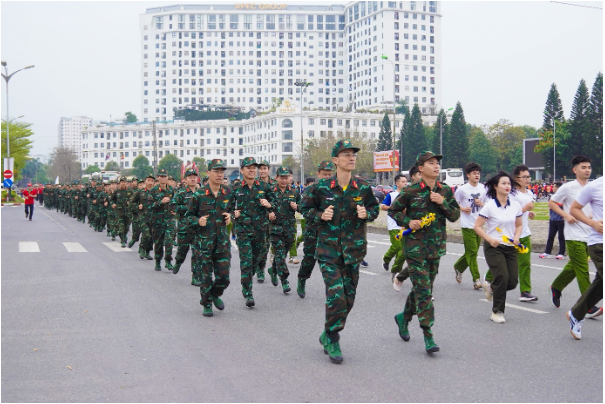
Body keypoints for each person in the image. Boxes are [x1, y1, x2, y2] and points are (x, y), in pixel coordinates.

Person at [302, 139, 380, 364]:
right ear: (336, 160)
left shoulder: (363, 187)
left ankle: (326, 333)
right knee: (336, 296)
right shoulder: (321, 188)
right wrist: (319, 216)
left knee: (349, 299)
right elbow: (304, 208)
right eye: (346, 154)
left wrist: (368, 213)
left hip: (353, 252)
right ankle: (333, 338)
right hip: (328, 252)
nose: (352, 158)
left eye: (353, 154)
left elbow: (374, 208)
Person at [389, 151, 460, 354]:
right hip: (414, 248)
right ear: (421, 168)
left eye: (437, 163)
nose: (436, 166)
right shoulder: (410, 191)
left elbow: (455, 215)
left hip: (435, 247)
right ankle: (428, 334)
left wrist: (442, 203)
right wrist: (407, 222)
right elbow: (393, 211)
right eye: (431, 163)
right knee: (424, 292)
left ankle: (403, 317)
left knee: (423, 287)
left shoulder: (445, 190)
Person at [547, 156, 601, 317]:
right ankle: (588, 306)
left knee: (574, 266)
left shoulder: (594, 187)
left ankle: (556, 286)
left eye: (589, 167)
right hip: (573, 234)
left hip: (591, 235)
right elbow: (551, 203)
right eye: (583, 167)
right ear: (575, 170)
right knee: (582, 269)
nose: (587, 170)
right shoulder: (568, 187)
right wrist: (565, 215)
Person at [186, 159, 234, 317]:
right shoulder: (199, 195)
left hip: (222, 242)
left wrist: (230, 215)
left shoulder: (228, 192)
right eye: (216, 171)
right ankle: (206, 303)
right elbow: (188, 217)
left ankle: (214, 294)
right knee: (206, 276)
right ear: (208, 173)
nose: (220, 175)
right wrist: (197, 221)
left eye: (222, 172)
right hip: (204, 243)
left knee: (224, 276)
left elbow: (234, 210)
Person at [474, 172, 523, 324]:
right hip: (493, 246)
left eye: (509, 183)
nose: (507, 186)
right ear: (495, 186)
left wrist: (516, 237)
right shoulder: (489, 206)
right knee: (502, 276)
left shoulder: (515, 205)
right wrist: (489, 239)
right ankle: (497, 311)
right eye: (503, 183)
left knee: (513, 281)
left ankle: (491, 288)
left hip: (510, 247)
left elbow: (519, 224)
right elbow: (477, 226)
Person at [232, 157, 275, 307]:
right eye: (248, 167)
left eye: (254, 168)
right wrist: (233, 213)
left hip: (261, 230)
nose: (252, 170)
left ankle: (248, 277)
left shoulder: (264, 187)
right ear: (242, 170)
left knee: (256, 260)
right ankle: (248, 291)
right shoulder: (236, 188)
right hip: (243, 230)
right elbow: (226, 207)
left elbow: (276, 203)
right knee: (246, 261)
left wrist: (269, 205)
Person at [567, 176, 604, 339]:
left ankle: (576, 313)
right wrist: (593, 224)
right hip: (599, 244)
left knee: (599, 286)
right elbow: (574, 209)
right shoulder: (595, 186)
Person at [297, 162, 335, 299]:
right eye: (324, 174)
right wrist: (320, 215)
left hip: (331, 233)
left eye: (330, 174)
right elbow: (303, 209)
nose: (327, 177)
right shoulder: (312, 190)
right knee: (309, 259)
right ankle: (302, 278)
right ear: (318, 174)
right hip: (313, 231)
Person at [267, 167, 302, 293]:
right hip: (275, 228)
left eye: (286, 177)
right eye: (281, 177)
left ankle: (273, 270)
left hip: (290, 228)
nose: (284, 180)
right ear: (276, 178)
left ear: (289, 178)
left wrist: (297, 206)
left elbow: (303, 207)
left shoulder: (294, 191)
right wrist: (268, 214)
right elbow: (261, 207)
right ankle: (284, 280)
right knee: (280, 255)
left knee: (284, 252)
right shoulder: (270, 191)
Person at [454, 162, 487, 290]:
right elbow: (453, 203)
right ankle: (476, 279)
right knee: (473, 252)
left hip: (479, 225)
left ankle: (459, 266)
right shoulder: (462, 189)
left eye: (478, 173)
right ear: (468, 175)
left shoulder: (483, 188)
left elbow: (489, 205)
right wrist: (462, 208)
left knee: (471, 251)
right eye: (474, 173)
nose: (477, 175)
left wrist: (481, 204)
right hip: (467, 225)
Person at [509, 165, 539, 302]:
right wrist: (525, 208)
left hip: (524, 233)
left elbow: (522, 212)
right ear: (516, 178)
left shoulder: (529, 193)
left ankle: (525, 292)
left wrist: (529, 212)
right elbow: (509, 213)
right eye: (525, 177)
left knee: (525, 263)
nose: (528, 179)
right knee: (507, 264)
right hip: (510, 234)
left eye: (529, 176)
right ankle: (490, 277)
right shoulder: (511, 194)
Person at [171, 169, 200, 284]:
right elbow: (173, 207)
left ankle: (195, 276)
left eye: (194, 176)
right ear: (185, 179)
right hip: (184, 228)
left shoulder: (201, 192)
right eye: (190, 177)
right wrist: (186, 208)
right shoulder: (181, 193)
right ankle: (178, 262)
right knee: (182, 251)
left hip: (198, 228)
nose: (193, 178)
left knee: (197, 253)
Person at [381, 174, 408, 279]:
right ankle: (386, 258)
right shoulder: (391, 195)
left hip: (405, 226)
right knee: (397, 247)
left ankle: (397, 270)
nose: (405, 183)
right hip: (394, 225)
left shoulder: (407, 195)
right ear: (397, 183)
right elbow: (383, 206)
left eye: (406, 181)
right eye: (403, 181)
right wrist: (394, 208)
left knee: (402, 251)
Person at [149, 169, 176, 271]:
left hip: (169, 220)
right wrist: (160, 202)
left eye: (165, 176)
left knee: (169, 241)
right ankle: (158, 261)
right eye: (161, 176)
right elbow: (149, 206)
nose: (163, 178)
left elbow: (176, 202)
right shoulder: (153, 190)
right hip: (158, 221)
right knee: (158, 242)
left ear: (167, 177)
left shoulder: (171, 190)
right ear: (158, 178)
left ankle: (168, 261)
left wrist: (175, 210)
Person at [256, 160, 278, 282]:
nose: (262, 171)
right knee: (264, 246)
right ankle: (260, 269)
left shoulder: (275, 184)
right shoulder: (255, 184)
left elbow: (277, 200)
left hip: (275, 218)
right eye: (261, 168)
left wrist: (273, 211)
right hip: (260, 220)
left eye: (264, 168)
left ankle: (274, 269)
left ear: (268, 170)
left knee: (279, 245)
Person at [540, 182, 566, 260]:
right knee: (550, 236)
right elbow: (550, 207)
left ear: (558, 188)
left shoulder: (563, 198)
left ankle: (561, 253)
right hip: (553, 220)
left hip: (561, 220)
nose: (553, 188)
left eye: (554, 187)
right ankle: (547, 252)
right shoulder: (552, 197)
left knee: (561, 237)